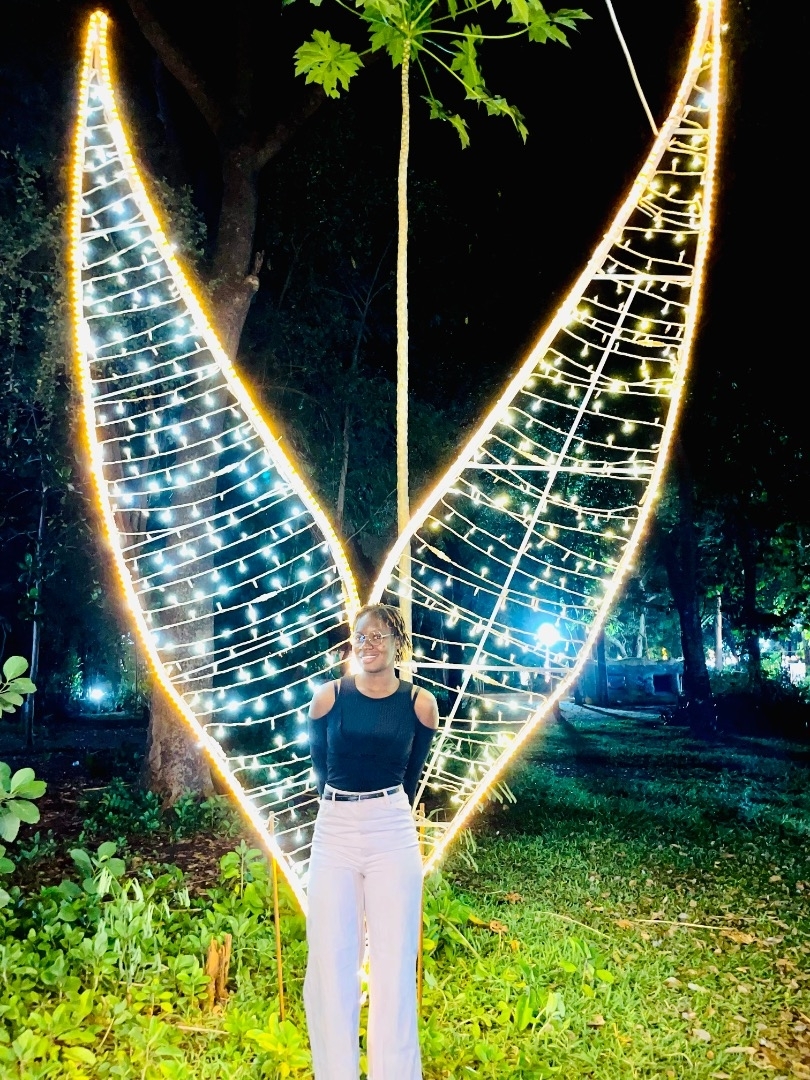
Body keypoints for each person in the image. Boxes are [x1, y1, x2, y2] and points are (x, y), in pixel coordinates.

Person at [304, 603, 439, 1080]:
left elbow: (412, 775)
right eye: (361, 636)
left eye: (379, 635)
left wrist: (383, 809)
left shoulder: (419, 703)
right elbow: (320, 768)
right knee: (330, 961)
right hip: (335, 828)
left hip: (391, 830)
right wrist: (342, 806)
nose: (369, 644)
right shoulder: (328, 697)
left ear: (398, 642)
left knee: (394, 965)